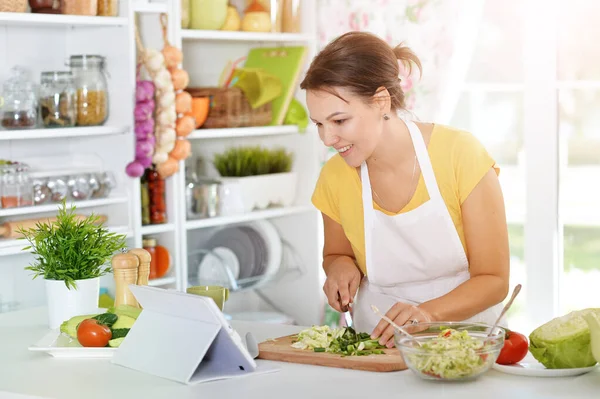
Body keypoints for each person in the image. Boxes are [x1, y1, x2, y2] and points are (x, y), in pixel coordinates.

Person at [301, 31, 510, 348]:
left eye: (339, 121)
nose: (327, 139)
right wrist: (339, 268)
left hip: (469, 344)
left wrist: (426, 314)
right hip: (379, 348)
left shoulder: (459, 154)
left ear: (381, 102)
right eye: (319, 124)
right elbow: (336, 253)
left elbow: (494, 280)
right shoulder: (335, 176)